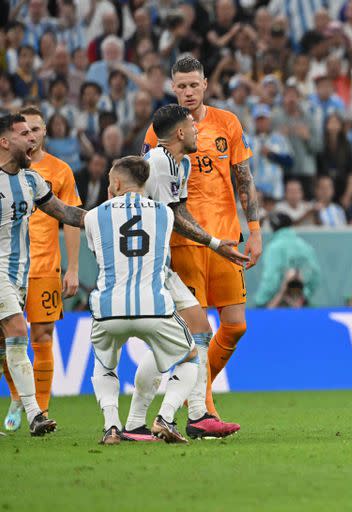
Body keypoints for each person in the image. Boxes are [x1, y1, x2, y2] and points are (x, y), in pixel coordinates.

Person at [142, 56, 262, 419]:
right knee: (199, 330)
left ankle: (200, 387)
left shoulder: (227, 123)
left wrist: (254, 231)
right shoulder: (158, 131)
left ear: (206, 84)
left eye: (194, 84)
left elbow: (244, 178)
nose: (188, 92)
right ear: (172, 87)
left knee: (236, 324)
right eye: (181, 85)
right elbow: (145, 181)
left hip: (226, 239)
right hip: (186, 241)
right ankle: (203, 413)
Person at [125, 105, 248, 441]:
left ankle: (193, 415)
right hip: (150, 266)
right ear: (180, 133)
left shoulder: (183, 162)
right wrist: (213, 242)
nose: (198, 131)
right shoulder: (161, 163)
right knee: (179, 342)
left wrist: (214, 242)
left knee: (194, 335)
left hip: (162, 264)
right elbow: (172, 219)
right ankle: (154, 418)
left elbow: (180, 210)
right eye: (193, 127)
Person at [84, 156, 199, 445]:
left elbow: (99, 256)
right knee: (190, 357)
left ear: (117, 183)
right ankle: (166, 418)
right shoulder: (165, 214)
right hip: (154, 306)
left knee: (104, 365)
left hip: (109, 309)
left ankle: (112, 426)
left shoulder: (93, 216)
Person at [0, 113, 87, 436]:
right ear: (5, 142)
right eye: (24, 134)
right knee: (18, 332)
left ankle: (28, 407)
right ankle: (36, 413)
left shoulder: (32, 180)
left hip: (24, 274)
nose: (31, 139)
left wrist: (105, 217)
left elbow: (64, 212)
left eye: (33, 132)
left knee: (6, 345)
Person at [252, 212, 321, 308]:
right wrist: (305, 295)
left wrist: (260, 301)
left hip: (279, 304)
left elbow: (271, 278)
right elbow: (315, 275)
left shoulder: (274, 248)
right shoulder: (306, 246)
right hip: (301, 304)